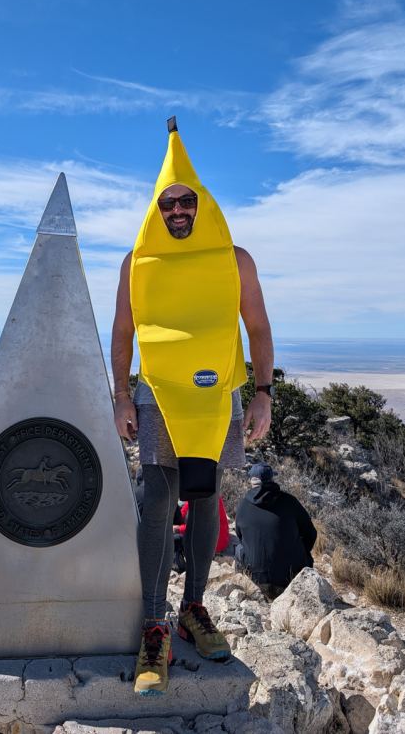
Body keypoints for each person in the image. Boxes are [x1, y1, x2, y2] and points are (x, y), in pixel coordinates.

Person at [112, 125, 274, 696]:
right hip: (158, 396)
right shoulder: (138, 262)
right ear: (157, 209)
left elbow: (256, 327)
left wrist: (262, 394)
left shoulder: (235, 259)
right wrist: (120, 394)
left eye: (187, 201)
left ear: (202, 204)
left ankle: (194, 608)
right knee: (156, 498)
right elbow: (123, 333)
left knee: (205, 497)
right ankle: (154, 623)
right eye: (168, 202)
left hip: (217, 397)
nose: (178, 210)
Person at [234, 462, 317, 601]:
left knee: (239, 548)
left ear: (251, 481)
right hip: (290, 577)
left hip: (256, 579)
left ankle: (244, 587)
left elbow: (240, 535)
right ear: (271, 479)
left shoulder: (243, 505)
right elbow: (310, 533)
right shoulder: (289, 501)